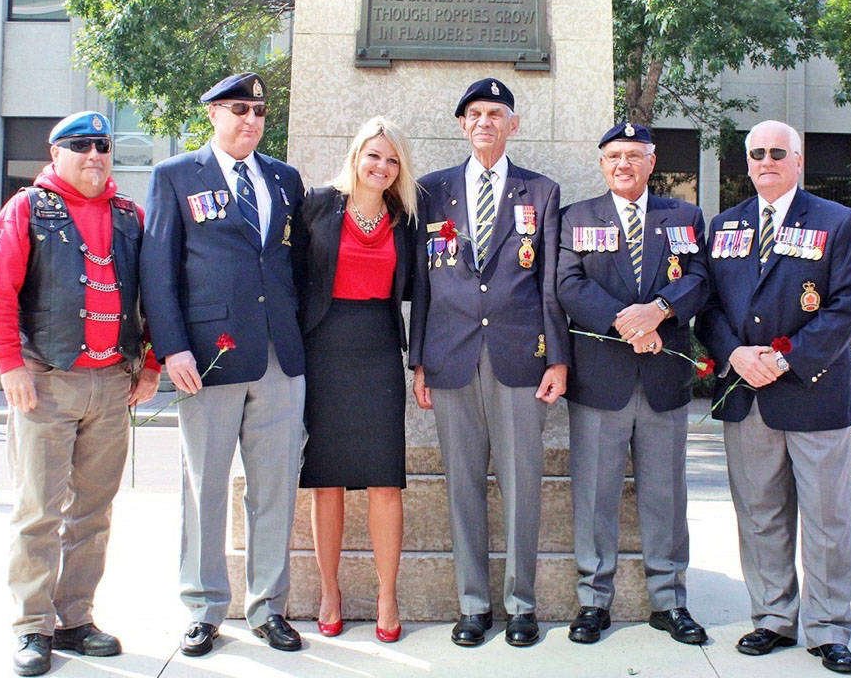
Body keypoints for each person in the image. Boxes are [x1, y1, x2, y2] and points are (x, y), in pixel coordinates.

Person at [0, 110, 161, 676]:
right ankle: (32, 627)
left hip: (112, 385)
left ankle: (75, 619)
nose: (94, 156)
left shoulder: (131, 216)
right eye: (80, 146)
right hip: (46, 383)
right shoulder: (27, 209)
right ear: (55, 154)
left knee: (93, 513)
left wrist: (150, 363)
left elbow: (158, 294)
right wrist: (9, 364)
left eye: (102, 146)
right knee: (37, 511)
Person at [140, 72, 306, 656]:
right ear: (211, 113)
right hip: (207, 359)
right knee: (204, 485)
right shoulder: (176, 176)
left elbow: (295, 268)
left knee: (275, 490)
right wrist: (171, 347)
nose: (251, 120)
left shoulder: (285, 179)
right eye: (238, 109)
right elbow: (157, 270)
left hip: (280, 359)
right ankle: (204, 607)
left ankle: (268, 606)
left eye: (259, 110)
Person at [696, 120, 851, 675]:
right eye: (756, 154)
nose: (765, 161)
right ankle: (772, 617)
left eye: (777, 152)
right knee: (760, 515)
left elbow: (846, 305)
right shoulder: (725, 226)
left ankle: (827, 628)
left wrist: (784, 357)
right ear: (746, 163)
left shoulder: (836, 221)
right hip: (746, 395)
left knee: (825, 520)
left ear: (798, 160)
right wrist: (735, 355)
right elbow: (709, 307)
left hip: (812, 395)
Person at [409, 77, 570, 648]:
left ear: (513, 124)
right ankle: (474, 605)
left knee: (523, 482)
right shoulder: (431, 192)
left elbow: (551, 283)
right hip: (451, 358)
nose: (484, 122)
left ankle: (521, 605)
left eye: (495, 113)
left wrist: (559, 359)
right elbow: (424, 286)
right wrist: (419, 359)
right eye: (474, 113)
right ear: (461, 125)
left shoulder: (541, 192)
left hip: (521, 358)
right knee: (462, 485)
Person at [557, 122, 710, 646]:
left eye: (635, 155)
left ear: (652, 161)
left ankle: (669, 601)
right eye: (614, 156)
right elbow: (568, 284)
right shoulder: (576, 217)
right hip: (600, 379)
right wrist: (629, 323)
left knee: (666, 495)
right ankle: (593, 601)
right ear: (602, 164)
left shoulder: (683, 215)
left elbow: (698, 279)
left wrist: (658, 311)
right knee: (595, 493)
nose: (624, 164)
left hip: (664, 378)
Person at [292, 116, 418, 643]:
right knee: (328, 479)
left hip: (378, 347)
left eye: (392, 160)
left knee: (386, 479)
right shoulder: (318, 205)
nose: (382, 168)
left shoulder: (406, 218)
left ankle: (388, 595)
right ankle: (330, 589)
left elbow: (425, 293)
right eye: (374, 156)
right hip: (324, 344)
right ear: (356, 155)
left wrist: (421, 361)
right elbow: (293, 275)